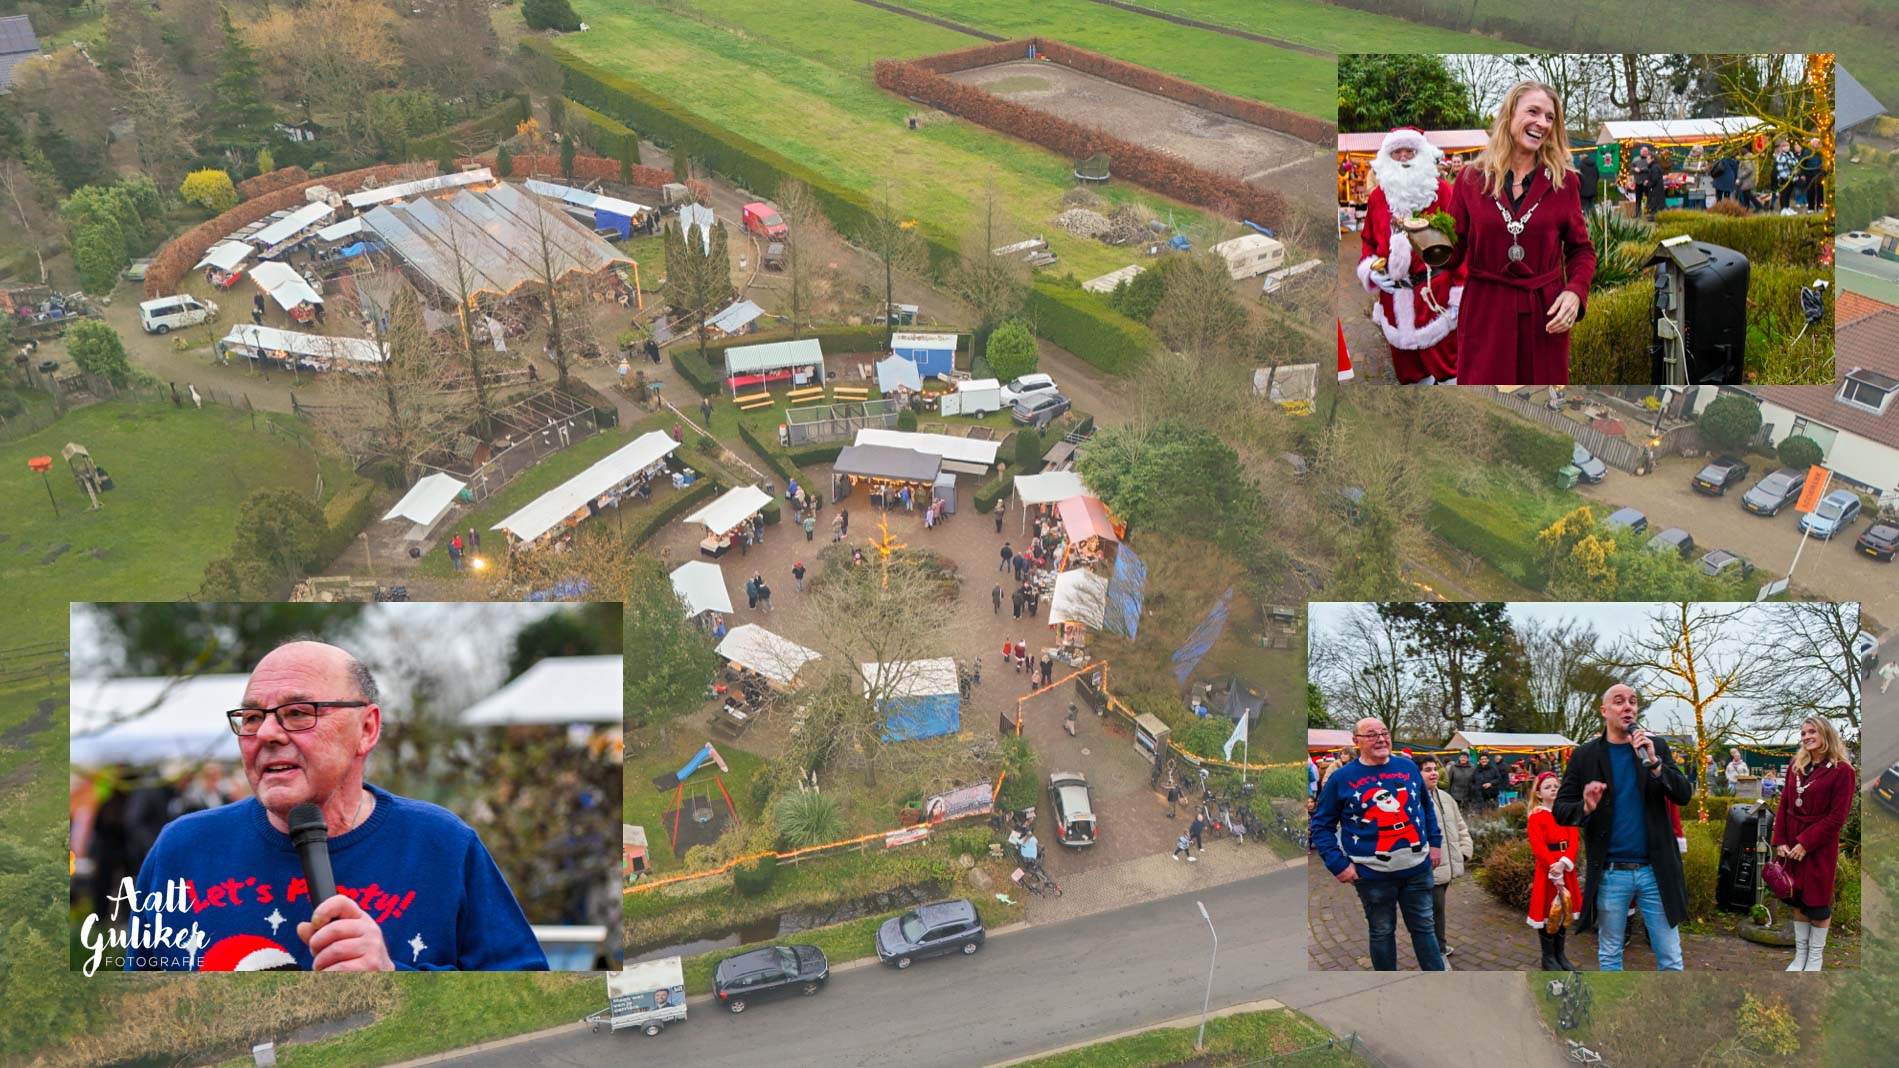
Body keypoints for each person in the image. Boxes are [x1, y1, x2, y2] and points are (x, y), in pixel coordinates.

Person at [126, 641, 547, 971]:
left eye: (297, 712)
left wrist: (391, 977)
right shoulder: (184, 851)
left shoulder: (442, 846)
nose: (267, 732)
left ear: (366, 729)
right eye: (252, 717)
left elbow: (529, 1003)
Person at [1441, 81, 1596, 386]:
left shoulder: (1565, 184)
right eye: (1533, 112)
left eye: (1550, 117)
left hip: (1544, 314)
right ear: (1509, 116)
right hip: (1486, 310)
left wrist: (1575, 292)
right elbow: (1452, 250)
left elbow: (1581, 250)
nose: (1542, 123)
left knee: (1539, 403)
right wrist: (1425, 241)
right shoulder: (1471, 179)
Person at [1552, 683, 1694, 971]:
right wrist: (1586, 807)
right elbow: (1561, 811)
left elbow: (1683, 794)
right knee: (1610, 952)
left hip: (1656, 872)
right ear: (1605, 711)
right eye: (1619, 702)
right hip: (1610, 872)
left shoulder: (1657, 748)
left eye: (1633, 701)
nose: (1628, 706)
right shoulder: (1585, 756)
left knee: (1670, 956)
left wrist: (1655, 764)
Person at [1310, 717, 1446, 971]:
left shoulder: (1408, 767)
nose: (1381, 739)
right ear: (1356, 742)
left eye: (1384, 733)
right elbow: (1321, 826)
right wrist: (1338, 864)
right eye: (1371, 735)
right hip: (1373, 876)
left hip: (1417, 870)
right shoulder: (1341, 778)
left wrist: (1435, 843)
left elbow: (1426, 808)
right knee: (1382, 932)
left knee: (1425, 928)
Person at [1356, 127, 1464, 384]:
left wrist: (1459, 295)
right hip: (1393, 300)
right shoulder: (1378, 198)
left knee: (1450, 372)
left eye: (1410, 151)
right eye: (1397, 153)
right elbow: (1368, 241)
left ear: (1422, 154)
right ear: (1387, 158)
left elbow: (1462, 245)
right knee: (1410, 376)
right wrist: (1371, 270)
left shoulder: (1442, 193)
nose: (1404, 157)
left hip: (1434, 298)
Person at [1774, 716, 1855, 971]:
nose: (1806, 736)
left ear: (1825, 735)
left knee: (1817, 904)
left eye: (1812, 732)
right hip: (1791, 845)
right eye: (1803, 732)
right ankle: (1800, 956)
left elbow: (1837, 817)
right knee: (1797, 899)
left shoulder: (1843, 771)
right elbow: (1785, 805)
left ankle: (1815, 959)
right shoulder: (1795, 765)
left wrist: (1806, 843)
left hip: (1819, 846)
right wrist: (1781, 841)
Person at [1526, 771, 1581, 970]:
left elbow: (1574, 839)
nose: (1553, 790)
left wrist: (1565, 862)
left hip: (1565, 867)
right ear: (1539, 794)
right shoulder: (1536, 817)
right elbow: (1538, 847)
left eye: (1555, 786)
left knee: (1564, 909)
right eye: (1548, 787)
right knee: (1549, 911)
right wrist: (1554, 870)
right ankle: (1548, 957)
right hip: (1548, 870)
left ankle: (1560, 954)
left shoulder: (1565, 812)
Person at [1419, 757, 1472, 960]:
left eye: (1434, 769)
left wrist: (1465, 852)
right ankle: (1436, 951)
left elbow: (1461, 827)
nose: (1433, 773)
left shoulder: (1446, 798)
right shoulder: (1414, 800)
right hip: (1430, 869)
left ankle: (1437, 947)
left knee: (1438, 909)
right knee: (1434, 910)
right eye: (1427, 770)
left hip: (1448, 867)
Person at [1628, 144, 1665, 220]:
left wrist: (1641, 170)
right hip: (1638, 181)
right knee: (1638, 198)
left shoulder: (1651, 160)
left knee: (1650, 197)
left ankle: (1649, 211)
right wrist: (1634, 169)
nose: (1645, 152)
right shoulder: (1636, 159)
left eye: (1646, 151)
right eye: (1643, 151)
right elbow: (1631, 167)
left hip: (1648, 182)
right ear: (1640, 151)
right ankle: (1638, 211)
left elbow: (1650, 169)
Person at [1799, 137, 1826, 213]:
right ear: (1812, 143)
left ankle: (1820, 207)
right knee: (1810, 191)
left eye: (1818, 143)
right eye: (1816, 142)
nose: (1817, 144)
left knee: (1820, 191)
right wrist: (1802, 174)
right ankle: (1810, 208)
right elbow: (1802, 164)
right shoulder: (1807, 152)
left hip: (1820, 175)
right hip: (1810, 174)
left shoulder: (1821, 152)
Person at [1774, 139, 1800, 211]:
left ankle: (1787, 207)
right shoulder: (1781, 156)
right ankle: (1783, 208)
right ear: (1782, 148)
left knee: (1789, 193)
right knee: (1784, 193)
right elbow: (1780, 168)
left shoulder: (1791, 154)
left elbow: (1796, 163)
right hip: (1784, 178)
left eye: (1788, 146)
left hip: (1792, 177)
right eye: (1785, 146)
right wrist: (1785, 176)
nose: (1787, 147)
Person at [1575, 149, 1600, 216]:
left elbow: (1577, 178)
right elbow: (1597, 176)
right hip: (1593, 190)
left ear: (1581, 157)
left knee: (1585, 208)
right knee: (1592, 207)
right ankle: (1595, 222)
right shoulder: (1594, 165)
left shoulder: (1580, 166)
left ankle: (1587, 223)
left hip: (1583, 191)